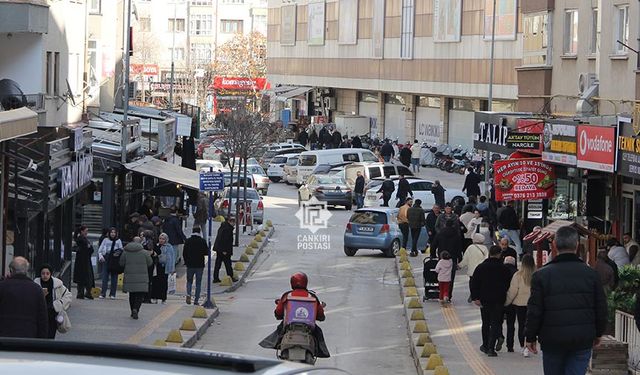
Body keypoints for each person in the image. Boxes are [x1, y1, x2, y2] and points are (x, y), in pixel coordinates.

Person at [525, 226, 608, 374]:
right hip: (582, 337)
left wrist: (530, 336)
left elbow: (534, 310)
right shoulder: (591, 274)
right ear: (577, 245)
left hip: (552, 339)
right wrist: (598, 333)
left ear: (555, 245)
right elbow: (601, 307)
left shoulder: (542, 275)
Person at [259, 272, 330, 358]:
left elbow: (278, 312)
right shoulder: (312, 296)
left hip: (290, 327)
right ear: (306, 282)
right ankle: (321, 352)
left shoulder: (287, 295)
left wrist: (279, 315)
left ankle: (275, 345)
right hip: (307, 329)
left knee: (279, 331)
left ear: (292, 282)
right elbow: (321, 315)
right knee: (318, 333)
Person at [471, 245, 513, 357]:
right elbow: (509, 284)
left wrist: (476, 297)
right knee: (495, 322)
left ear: (489, 253)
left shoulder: (481, 267)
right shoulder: (504, 269)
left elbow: (474, 282)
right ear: (499, 254)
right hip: (499, 299)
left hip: (484, 299)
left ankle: (484, 345)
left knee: (485, 323)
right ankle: (491, 348)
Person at [0, 257, 48, 338]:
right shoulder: (36, 289)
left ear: (11, 270)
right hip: (29, 338)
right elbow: (42, 319)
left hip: (4, 338)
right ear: (27, 271)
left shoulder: (2, 287)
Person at [504, 254, 535, 357]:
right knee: (532, 325)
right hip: (533, 304)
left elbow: (513, 291)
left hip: (520, 303)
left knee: (521, 325)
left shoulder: (518, 275)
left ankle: (523, 347)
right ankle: (531, 344)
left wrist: (506, 303)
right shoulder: (537, 275)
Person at [34, 264, 72, 339]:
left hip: (52, 314)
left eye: (47, 273)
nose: (45, 276)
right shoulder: (36, 284)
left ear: (50, 274)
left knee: (50, 335)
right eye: (43, 273)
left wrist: (58, 304)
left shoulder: (57, 285)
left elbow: (68, 296)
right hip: (39, 314)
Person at [120, 237, 153, 319]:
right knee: (139, 295)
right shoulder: (144, 252)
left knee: (132, 295)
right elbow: (150, 263)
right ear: (140, 243)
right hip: (142, 278)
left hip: (129, 277)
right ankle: (136, 309)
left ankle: (132, 310)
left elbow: (121, 263)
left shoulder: (125, 252)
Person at [430, 219, 464, 300]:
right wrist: (460, 258)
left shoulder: (440, 233)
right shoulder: (456, 235)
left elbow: (433, 245)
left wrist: (433, 254)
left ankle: (441, 294)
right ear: (453, 225)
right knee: (450, 278)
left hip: (442, 257)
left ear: (445, 225)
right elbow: (459, 248)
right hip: (453, 258)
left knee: (441, 276)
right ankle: (448, 294)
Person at [459, 233, 489, 303]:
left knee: (472, 283)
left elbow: (465, 259)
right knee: (481, 283)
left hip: (472, 270)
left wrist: (460, 265)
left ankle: (472, 295)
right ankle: (479, 296)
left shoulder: (470, 247)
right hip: (482, 270)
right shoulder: (485, 248)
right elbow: (487, 258)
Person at [184, 226, 209, 305]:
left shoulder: (188, 241)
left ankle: (188, 294)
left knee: (189, 281)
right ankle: (196, 300)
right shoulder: (202, 241)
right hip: (199, 265)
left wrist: (186, 261)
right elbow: (206, 252)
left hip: (190, 264)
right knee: (198, 283)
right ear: (199, 232)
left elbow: (184, 253)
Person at [97, 228, 123, 299]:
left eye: (114, 232)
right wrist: (101, 256)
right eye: (111, 232)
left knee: (114, 277)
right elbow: (100, 249)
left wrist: (117, 253)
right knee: (105, 276)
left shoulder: (118, 241)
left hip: (115, 259)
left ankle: (112, 294)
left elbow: (121, 249)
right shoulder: (105, 240)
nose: (113, 234)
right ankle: (103, 293)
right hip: (107, 257)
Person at [151, 233, 176, 304]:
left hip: (165, 267)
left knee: (164, 283)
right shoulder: (156, 246)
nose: (161, 240)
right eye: (160, 239)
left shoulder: (169, 247)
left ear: (166, 240)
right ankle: (155, 297)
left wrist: (172, 269)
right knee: (155, 282)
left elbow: (172, 258)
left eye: (163, 239)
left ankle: (163, 298)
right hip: (157, 266)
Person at [73, 225, 95, 300]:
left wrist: (89, 247)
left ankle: (83, 292)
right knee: (86, 277)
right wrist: (89, 247)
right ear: (82, 231)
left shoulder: (82, 239)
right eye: (86, 231)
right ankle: (83, 293)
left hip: (83, 260)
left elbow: (90, 248)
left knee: (83, 277)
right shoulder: (81, 240)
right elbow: (88, 248)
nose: (87, 232)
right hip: (83, 261)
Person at [213, 217, 238, 283]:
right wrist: (224, 250)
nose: (234, 224)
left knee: (218, 264)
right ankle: (230, 277)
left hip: (219, 248)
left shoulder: (223, 226)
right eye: (234, 223)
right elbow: (224, 240)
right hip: (224, 250)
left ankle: (215, 278)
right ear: (230, 222)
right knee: (228, 264)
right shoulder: (228, 229)